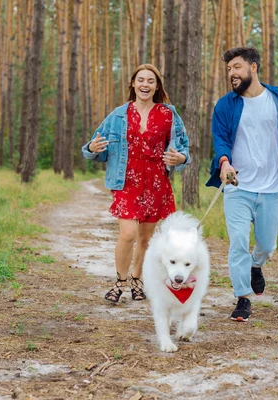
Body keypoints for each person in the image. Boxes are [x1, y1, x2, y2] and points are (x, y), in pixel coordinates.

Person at [206, 46, 278, 321]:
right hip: (237, 186)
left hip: (271, 187)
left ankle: (256, 265)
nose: (232, 73)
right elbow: (220, 138)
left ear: (253, 67)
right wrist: (224, 162)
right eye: (229, 69)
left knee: (268, 244)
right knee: (237, 242)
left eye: (236, 67)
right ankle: (242, 298)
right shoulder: (225, 105)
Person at [82, 64, 190, 303]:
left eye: (151, 81)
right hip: (126, 178)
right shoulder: (119, 114)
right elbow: (94, 145)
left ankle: (137, 280)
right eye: (141, 80)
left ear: (157, 86)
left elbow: (183, 148)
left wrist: (180, 158)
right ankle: (120, 282)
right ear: (133, 83)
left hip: (155, 180)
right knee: (128, 234)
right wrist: (92, 148)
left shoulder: (168, 114)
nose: (145, 85)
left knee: (145, 239)